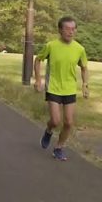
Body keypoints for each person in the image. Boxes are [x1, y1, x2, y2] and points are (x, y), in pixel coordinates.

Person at [32, 16, 89, 161]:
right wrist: (38, 79)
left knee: (69, 122)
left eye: (73, 29)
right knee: (56, 121)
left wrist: (85, 84)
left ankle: (58, 147)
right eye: (67, 29)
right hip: (53, 87)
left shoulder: (79, 49)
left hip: (69, 89)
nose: (71, 32)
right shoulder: (51, 45)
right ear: (60, 30)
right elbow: (38, 60)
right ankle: (49, 130)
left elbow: (84, 67)